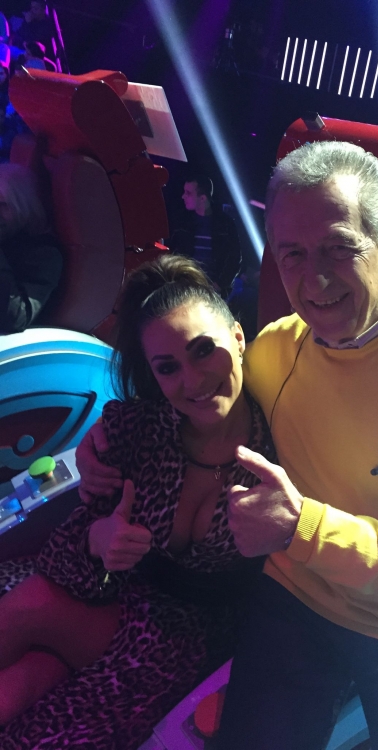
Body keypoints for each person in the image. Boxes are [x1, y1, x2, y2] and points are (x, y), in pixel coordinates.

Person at [77, 141, 378, 750]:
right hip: (299, 598)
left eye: (338, 248)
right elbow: (193, 395)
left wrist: (302, 528)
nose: (314, 280)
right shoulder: (277, 347)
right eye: (292, 254)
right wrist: (101, 444)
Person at [0, 254, 275, 749]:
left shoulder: (282, 447)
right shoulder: (137, 431)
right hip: (114, 605)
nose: (192, 381)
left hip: (187, 648)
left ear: (238, 337)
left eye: (204, 350)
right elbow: (60, 562)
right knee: (23, 669)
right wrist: (98, 538)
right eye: (168, 368)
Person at [0, 162, 62, 333]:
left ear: (24, 204)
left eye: (3, 205)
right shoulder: (6, 238)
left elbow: (15, 317)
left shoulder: (44, 254)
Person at [169, 173, 241, 298]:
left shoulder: (225, 224)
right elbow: (172, 253)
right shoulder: (181, 222)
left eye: (188, 193)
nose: (183, 196)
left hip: (213, 291)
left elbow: (235, 257)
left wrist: (219, 284)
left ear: (202, 198)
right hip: (185, 288)